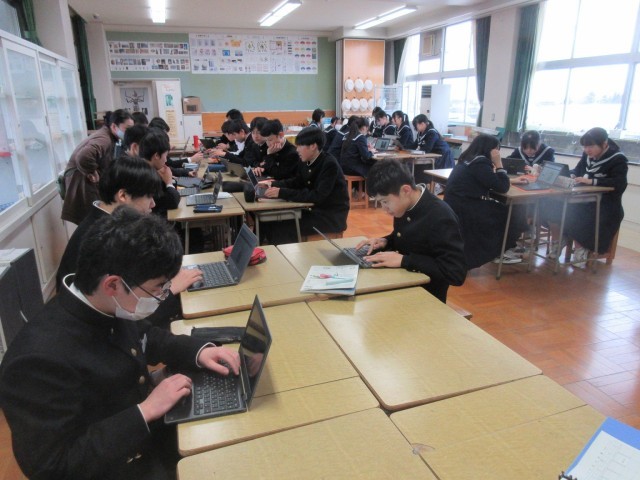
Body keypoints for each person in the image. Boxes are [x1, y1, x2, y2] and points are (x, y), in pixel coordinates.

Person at [0, 207, 239, 480]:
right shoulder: (36, 361)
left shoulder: (101, 303)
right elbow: (54, 467)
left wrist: (199, 351)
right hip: (119, 465)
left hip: (143, 436)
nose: (164, 295)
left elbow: (146, 336)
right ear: (112, 284)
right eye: (158, 288)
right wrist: (145, 410)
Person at [55, 155, 202, 326]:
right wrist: (169, 289)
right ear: (123, 195)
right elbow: (128, 314)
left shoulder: (105, 222)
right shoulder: (106, 239)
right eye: (149, 197)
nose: (153, 205)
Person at [356, 159, 466, 303]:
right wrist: (386, 241)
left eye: (385, 201)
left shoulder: (440, 216)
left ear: (406, 190)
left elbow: (455, 273)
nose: (384, 209)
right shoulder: (406, 204)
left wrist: (404, 260)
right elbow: (412, 238)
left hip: (426, 297)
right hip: (402, 282)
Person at [544, 127, 628, 264]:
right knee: (552, 206)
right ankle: (559, 240)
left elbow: (619, 183)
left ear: (604, 144)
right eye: (585, 147)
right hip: (582, 198)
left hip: (605, 204)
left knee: (578, 213)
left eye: (591, 146)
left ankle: (581, 248)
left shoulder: (618, 159)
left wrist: (592, 181)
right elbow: (578, 170)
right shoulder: (587, 155)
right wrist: (572, 174)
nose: (587, 150)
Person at [443, 134, 528, 268]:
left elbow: (487, 179)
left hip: (455, 205)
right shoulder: (480, 162)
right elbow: (502, 187)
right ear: (491, 149)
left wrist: (512, 180)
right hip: (466, 209)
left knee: (500, 209)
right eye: (497, 149)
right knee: (513, 212)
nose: (498, 152)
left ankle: (502, 248)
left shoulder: (468, 159)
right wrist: (499, 163)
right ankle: (502, 251)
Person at [258, 127, 350, 243]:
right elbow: (297, 182)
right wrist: (272, 184)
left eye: (300, 146)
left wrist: (282, 192)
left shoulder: (329, 164)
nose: (297, 150)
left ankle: (282, 254)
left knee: (281, 228)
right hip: (312, 210)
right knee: (267, 221)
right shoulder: (305, 161)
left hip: (329, 216)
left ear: (313, 146)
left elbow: (317, 196)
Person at [61, 109, 134, 225]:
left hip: (83, 181)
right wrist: (92, 171)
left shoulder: (108, 136)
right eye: (127, 128)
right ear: (114, 126)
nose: (130, 132)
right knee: (93, 221)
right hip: (82, 182)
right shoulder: (104, 139)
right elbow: (83, 156)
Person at [138, 128, 181, 216]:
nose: (166, 160)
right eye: (165, 156)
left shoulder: (144, 168)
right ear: (157, 155)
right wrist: (169, 183)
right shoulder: (145, 176)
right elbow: (172, 201)